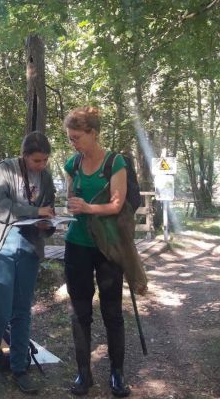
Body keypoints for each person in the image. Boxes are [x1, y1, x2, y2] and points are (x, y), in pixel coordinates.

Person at [0, 131, 56, 395]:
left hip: (29, 247)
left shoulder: (45, 176)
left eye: (44, 160)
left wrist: (47, 224)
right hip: (4, 246)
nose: (41, 166)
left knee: (22, 312)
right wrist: (34, 212)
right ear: (24, 156)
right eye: (36, 161)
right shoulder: (4, 170)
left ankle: (20, 368)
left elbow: (49, 208)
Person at [63, 106, 131, 397]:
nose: (73, 143)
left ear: (93, 133)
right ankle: (83, 373)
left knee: (112, 311)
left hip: (107, 246)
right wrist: (71, 204)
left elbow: (116, 205)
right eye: (70, 138)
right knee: (80, 312)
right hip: (77, 244)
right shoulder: (73, 164)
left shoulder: (115, 163)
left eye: (77, 137)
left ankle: (117, 374)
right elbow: (70, 197)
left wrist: (89, 207)